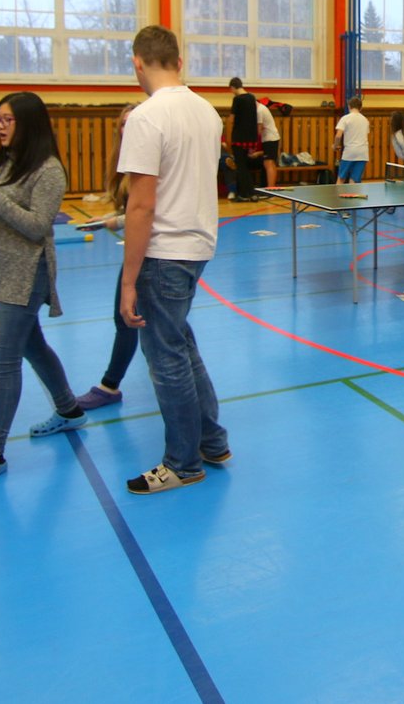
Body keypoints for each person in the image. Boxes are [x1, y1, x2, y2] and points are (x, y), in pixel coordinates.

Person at [0, 92, 84, 490]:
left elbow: (37, 226)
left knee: (4, 360)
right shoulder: (6, 163)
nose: (0, 126)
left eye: (7, 120)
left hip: (27, 274)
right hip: (2, 270)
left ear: (29, 123)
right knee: (33, 346)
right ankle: (69, 410)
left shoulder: (49, 170)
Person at [118, 25, 229, 495]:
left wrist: (128, 281)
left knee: (167, 360)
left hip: (164, 254)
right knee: (182, 345)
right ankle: (212, 441)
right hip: (198, 247)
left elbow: (141, 205)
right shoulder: (208, 112)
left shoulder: (146, 117)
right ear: (179, 62)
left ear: (137, 63)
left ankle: (182, 463)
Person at [75, 103, 141, 411]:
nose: (128, 129)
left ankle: (109, 386)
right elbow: (131, 210)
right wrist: (106, 219)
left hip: (153, 253)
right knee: (135, 319)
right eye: (124, 124)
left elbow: (149, 212)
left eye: (134, 122)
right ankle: (111, 385)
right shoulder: (124, 163)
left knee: (131, 319)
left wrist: (114, 222)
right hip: (138, 249)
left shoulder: (149, 164)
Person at [227, 77, 262, 201]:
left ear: (233, 87)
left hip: (239, 137)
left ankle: (246, 194)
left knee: (241, 166)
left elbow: (232, 118)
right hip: (251, 137)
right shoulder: (252, 97)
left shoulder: (237, 99)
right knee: (245, 166)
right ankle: (248, 193)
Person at [335, 97, 370, 184]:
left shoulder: (345, 118)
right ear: (361, 108)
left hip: (350, 152)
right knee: (354, 180)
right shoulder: (365, 120)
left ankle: (336, 193)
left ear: (349, 106)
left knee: (341, 178)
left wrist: (335, 146)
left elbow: (338, 136)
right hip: (363, 153)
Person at [256, 96, 280, 190]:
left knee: (268, 163)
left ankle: (270, 188)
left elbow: (259, 130)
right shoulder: (261, 108)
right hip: (271, 138)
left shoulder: (259, 111)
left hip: (270, 138)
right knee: (270, 163)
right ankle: (271, 187)